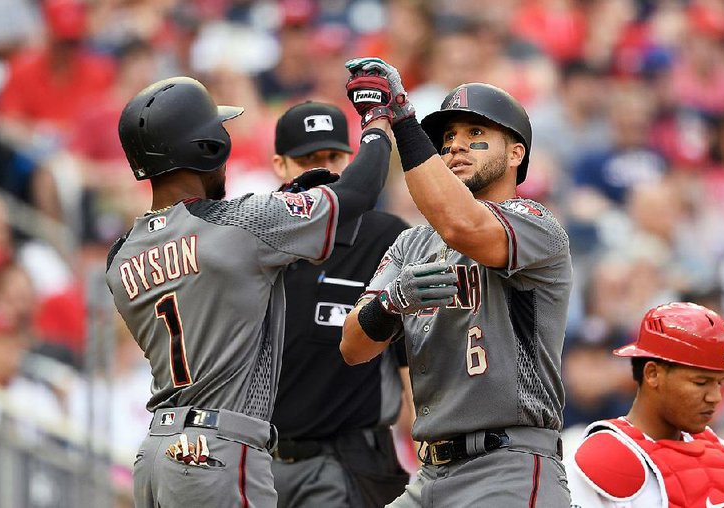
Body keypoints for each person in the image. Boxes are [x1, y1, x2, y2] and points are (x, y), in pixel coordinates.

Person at [105, 76, 393, 508]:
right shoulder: (240, 223)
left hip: (156, 454)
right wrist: (376, 121)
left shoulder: (119, 256)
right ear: (208, 148)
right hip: (217, 451)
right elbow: (358, 191)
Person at [340, 58, 573, 506]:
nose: (456, 147)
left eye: (476, 136)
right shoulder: (412, 244)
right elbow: (352, 346)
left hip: (506, 465)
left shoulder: (536, 224)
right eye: (447, 139)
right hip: (428, 476)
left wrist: (403, 119)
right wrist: (390, 304)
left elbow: (463, 227)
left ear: (516, 153)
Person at [268, 101, 411, 508]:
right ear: (280, 165)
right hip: (260, 460)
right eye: (308, 159)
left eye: (333, 156)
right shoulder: (259, 238)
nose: (323, 168)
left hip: (346, 461)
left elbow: (412, 367)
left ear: (351, 159)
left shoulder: (385, 238)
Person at [565, 302, 724, 508]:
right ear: (652, 374)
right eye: (700, 382)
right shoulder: (598, 462)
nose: (715, 397)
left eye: (719, 382)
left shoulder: (723, 453)